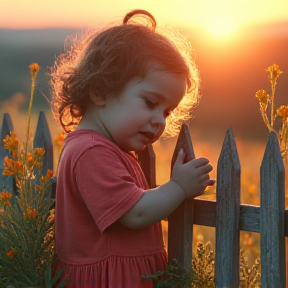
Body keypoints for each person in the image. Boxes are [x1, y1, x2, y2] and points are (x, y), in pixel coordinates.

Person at [49, 9, 215, 288]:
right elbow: (134, 213)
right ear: (101, 91)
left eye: (167, 112)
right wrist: (179, 187)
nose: (159, 120)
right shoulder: (91, 152)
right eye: (151, 103)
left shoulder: (102, 148)